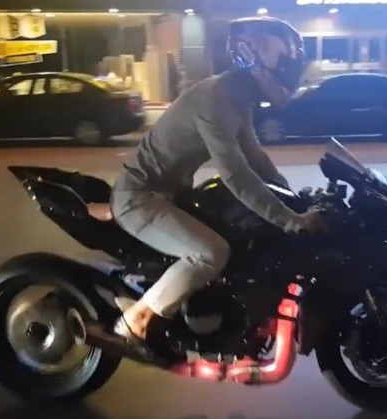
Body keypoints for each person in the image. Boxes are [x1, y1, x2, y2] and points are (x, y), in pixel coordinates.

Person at [110, 16, 329, 360]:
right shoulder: (215, 99)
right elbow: (236, 174)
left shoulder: (237, 97)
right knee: (211, 253)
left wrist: (292, 199)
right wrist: (289, 220)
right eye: (284, 68)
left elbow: (254, 156)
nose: (290, 79)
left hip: (172, 194)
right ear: (251, 58)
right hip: (140, 198)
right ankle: (137, 318)